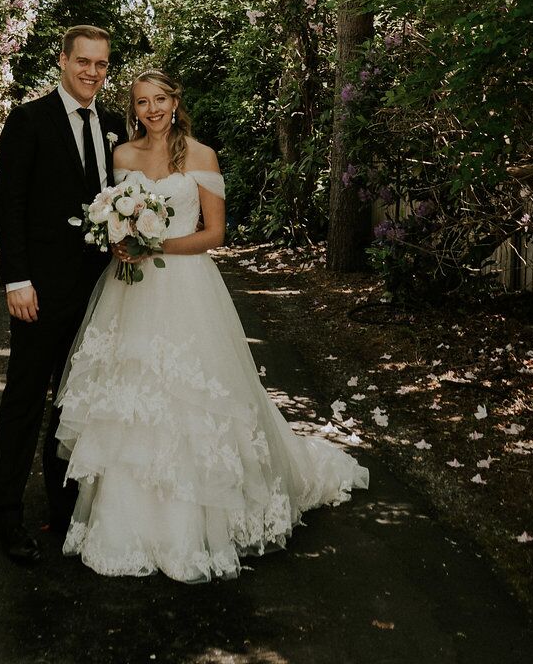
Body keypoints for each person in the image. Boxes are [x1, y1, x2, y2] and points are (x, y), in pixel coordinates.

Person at [54, 67, 370, 582]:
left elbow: (215, 234)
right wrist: (120, 239)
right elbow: (115, 216)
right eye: (140, 102)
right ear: (131, 109)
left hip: (187, 287)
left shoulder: (201, 156)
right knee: (131, 398)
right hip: (129, 289)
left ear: (175, 102)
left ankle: (200, 521)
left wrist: (155, 244)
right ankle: (126, 524)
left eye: (159, 99)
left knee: (192, 395)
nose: (151, 109)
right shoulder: (123, 157)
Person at [0, 25, 128, 563]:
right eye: (83, 62)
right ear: (63, 61)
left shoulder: (115, 125)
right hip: (39, 293)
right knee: (25, 401)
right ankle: (5, 516)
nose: (92, 72)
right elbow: (9, 207)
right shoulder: (28, 120)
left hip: (98, 293)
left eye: (101, 64)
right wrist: (16, 280)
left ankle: (63, 505)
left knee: (76, 401)